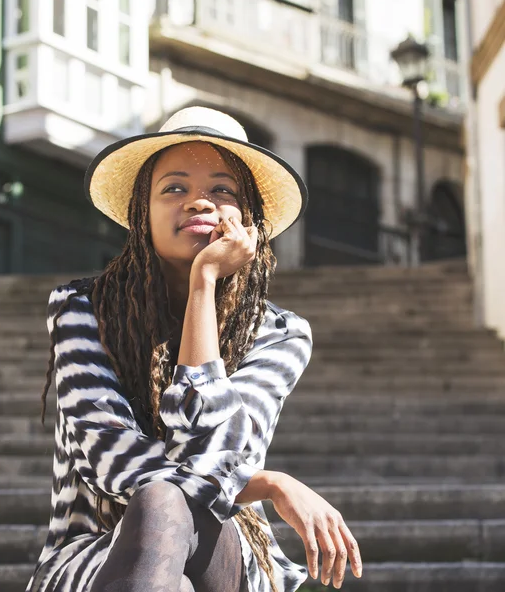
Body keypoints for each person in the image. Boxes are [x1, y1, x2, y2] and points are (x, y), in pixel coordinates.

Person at [25, 106, 363, 592]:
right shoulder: (81, 311)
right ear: (143, 214)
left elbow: (213, 459)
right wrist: (268, 484)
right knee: (162, 514)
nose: (199, 203)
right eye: (174, 188)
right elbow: (113, 464)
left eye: (222, 190)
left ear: (250, 219)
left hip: (224, 546)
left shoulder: (281, 334)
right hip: (94, 553)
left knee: (169, 504)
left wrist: (203, 285)